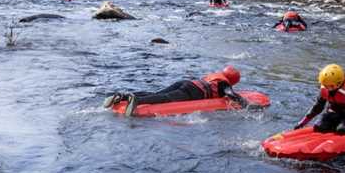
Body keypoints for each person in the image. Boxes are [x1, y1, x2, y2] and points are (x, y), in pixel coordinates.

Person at [103, 65, 250, 115]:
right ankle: (138, 100)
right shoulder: (225, 84)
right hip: (192, 92)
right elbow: (230, 94)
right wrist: (245, 104)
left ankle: (123, 96)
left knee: (158, 93)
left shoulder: (215, 75)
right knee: (166, 98)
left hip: (186, 82)